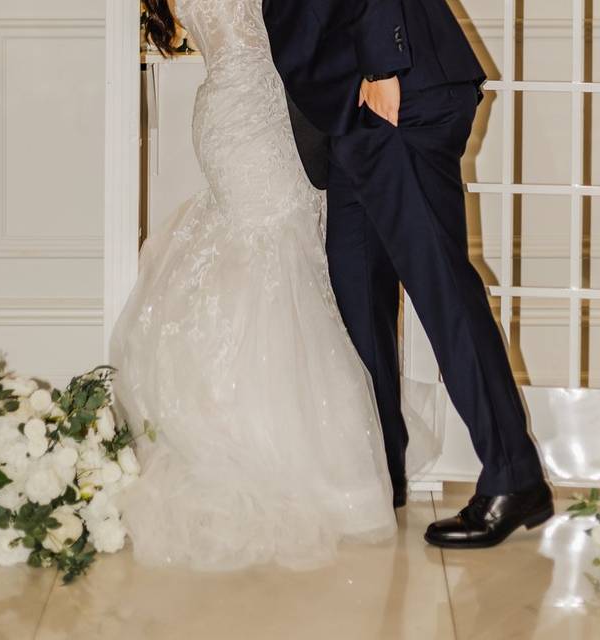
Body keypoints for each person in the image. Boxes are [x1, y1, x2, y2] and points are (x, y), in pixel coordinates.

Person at [109, 0, 397, 570]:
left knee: (270, 254)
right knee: (272, 258)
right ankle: (270, 450)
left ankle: (244, 427)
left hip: (241, 109)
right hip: (254, 115)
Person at [263, 0, 554, 548]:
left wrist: (382, 65)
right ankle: (381, 471)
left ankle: (514, 477)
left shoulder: (385, 74)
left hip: (394, 95)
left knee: (444, 292)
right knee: (356, 295)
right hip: (354, 117)